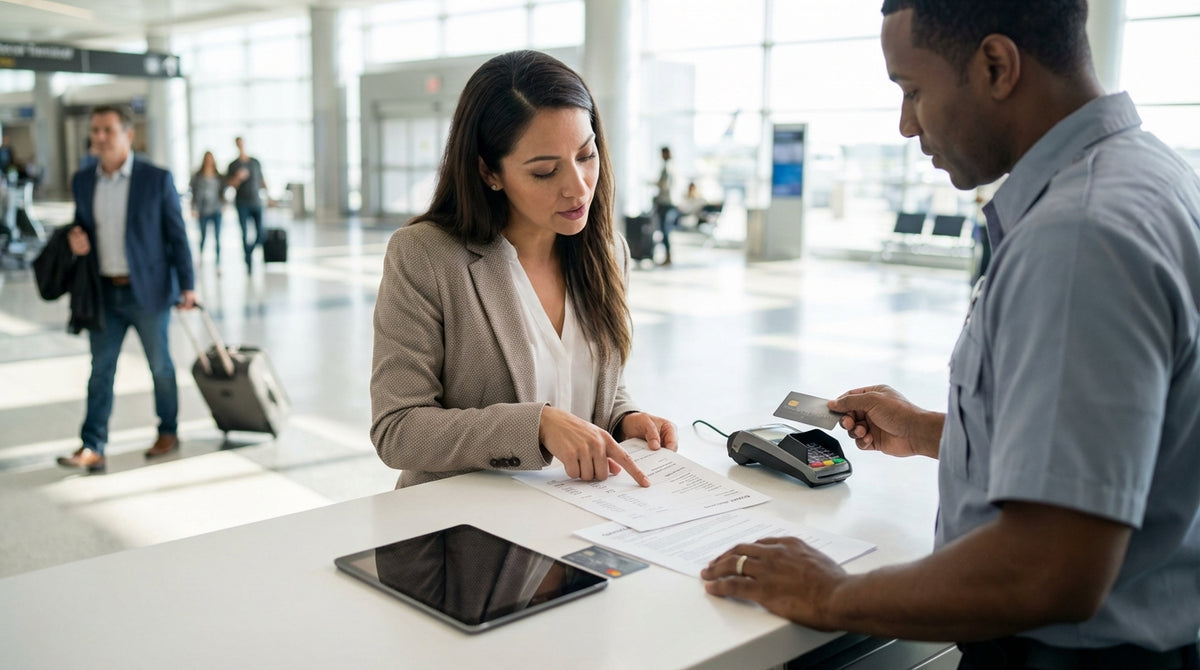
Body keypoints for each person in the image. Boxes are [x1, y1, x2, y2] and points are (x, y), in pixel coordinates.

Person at [702, 2, 1200, 668]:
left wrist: (834, 594)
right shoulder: (1148, 177)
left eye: (912, 91)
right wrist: (927, 431)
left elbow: (1050, 567)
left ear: (996, 66)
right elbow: (1117, 448)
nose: (906, 124)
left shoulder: (1079, 237)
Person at [370, 50, 677, 490]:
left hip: (582, 523)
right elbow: (397, 428)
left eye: (586, 155)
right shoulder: (426, 256)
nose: (577, 187)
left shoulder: (609, 252)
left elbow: (588, 380)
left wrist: (624, 418)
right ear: (489, 172)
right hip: (467, 535)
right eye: (545, 171)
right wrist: (536, 426)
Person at [56, 104, 197, 473]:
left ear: (128, 135)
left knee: (160, 366)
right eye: (95, 131)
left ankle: (168, 431)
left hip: (147, 291)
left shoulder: (155, 179)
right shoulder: (84, 180)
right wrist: (75, 239)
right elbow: (81, 226)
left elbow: (176, 235)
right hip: (103, 292)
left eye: (107, 130)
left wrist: (188, 286)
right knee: (100, 370)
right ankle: (92, 445)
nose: (99, 138)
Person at [226, 137, 266, 274]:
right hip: (242, 203)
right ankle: (248, 261)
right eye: (238, 144)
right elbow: (230, 185)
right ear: (236, 145)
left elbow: (262, 180)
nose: (241, 146)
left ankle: (248, 252)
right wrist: (238, 177)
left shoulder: (255, 162)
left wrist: (270, 197)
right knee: (244, 233)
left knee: (261, 234)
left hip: (256, 202)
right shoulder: (233, 165)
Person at [190, 151, 225, 268]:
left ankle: (218, 263)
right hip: (202, 210)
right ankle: (200, 259)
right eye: (207, 158)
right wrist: (193, 208)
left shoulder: (218, 176)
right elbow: (193, 193)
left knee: (217, 237)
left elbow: (222, 192)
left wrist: (223, 204)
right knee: (203, 236)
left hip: (216, 210)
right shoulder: (197, 176)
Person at [652, 145, 677, 265]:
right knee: (665, 229)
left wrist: (655, 183)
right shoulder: (673, 167)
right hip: (670, 202)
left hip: (665, 203)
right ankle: (667, 255)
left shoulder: (667, 168)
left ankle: (668, 256)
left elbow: (664, 186)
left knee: (664, 229)